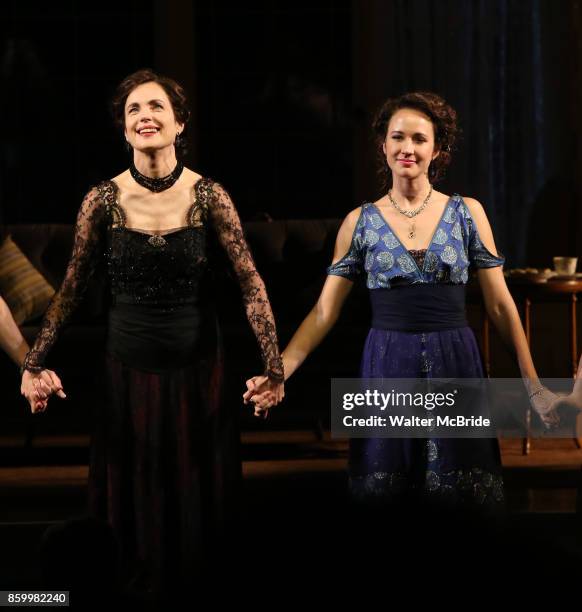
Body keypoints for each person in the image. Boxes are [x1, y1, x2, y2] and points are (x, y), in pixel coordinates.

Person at [20, 69, 284, 598]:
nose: (146, 116)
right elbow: (71, 289)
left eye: (157, 107)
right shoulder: (102, 200)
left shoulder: (210, 196)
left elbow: (249, 283)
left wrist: (273, 369)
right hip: (127, 367)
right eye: (134, 110)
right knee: (132, 487)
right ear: (123, 129)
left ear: (179, 122)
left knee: (197, 489)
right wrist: (33, 363)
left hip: (198, 367)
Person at [244, 91, 558, 509]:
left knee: (463, 498)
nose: (407, 148)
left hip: (456, 361)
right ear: (383, 145)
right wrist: (279, 370)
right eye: (397, 137)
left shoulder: (468, 213)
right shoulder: (360, 222)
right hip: (386, 362)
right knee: (388, 500)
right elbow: (323, 312)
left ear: (438, 149)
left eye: (419, 139)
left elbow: (500, 305)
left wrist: (533, 384)